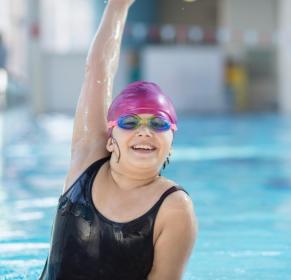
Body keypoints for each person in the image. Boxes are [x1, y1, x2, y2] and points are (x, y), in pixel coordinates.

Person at [39, 1, 198, 279]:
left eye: (158, 123)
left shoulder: (174, 208)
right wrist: (118, 5)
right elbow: (97, 72)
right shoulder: (86, 163)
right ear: (110, 139)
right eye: (130, 122)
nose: (144, 131)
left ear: (171, 141)